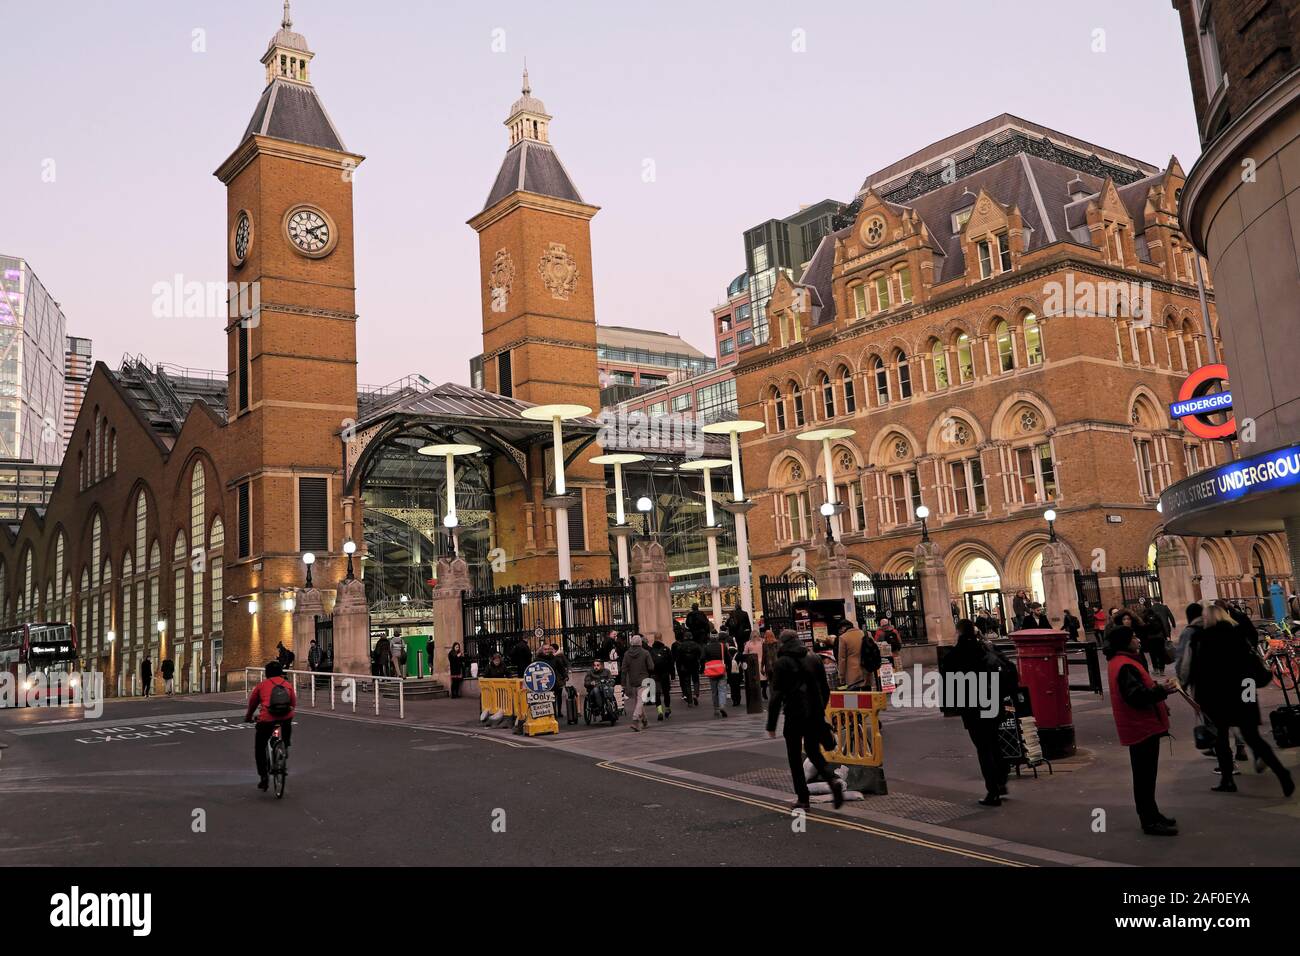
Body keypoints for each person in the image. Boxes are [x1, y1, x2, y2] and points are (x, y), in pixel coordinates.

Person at [1185, 604, 1294, 797]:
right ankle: (1282, 773)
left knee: (1221, 740)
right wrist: (1250, 698)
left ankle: (1227, 780)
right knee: (1253, 737)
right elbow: (1252, 665)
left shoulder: (1203, 638)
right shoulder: (1238, 635)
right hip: (1245, 689)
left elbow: (1198, 671)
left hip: (1217, 696)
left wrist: (1197, 697)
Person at [1103, 625, 1177, 835]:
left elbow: (1139, 691)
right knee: (1144, 776)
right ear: (1125, 642)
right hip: (1140, 726)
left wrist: (1157, 691)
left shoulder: (1122, 662)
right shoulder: (1125, 665)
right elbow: (1136, 696)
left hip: (1140, 725)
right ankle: (1149, 820)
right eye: (1134, 637)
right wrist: (1162, 691)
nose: (1138, 640)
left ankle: (1153, 814)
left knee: (1146, 775)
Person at [766, 629, 844, 810]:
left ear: (782, 643)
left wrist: (771, 724)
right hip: (814, 714)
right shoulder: (814, 658)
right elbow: (825, 689)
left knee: (794, 757)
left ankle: (803, 798)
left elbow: (776, 695)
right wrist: (819, 709)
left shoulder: (782, 663)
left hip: (794, 714)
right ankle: (832, 781)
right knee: (813, 751)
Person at [939, 620, 1010, 807]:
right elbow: (1007, 672)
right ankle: (1002, 779)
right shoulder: (987, 649)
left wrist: (950, 707)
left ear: (958, 633)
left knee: (983, 748)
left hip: (972, 707)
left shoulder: (953, 655)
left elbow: (948, 684)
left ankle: (993, 791)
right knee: (995, 742)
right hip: (993, 702)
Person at [244, 660, 297, 792]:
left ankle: (263, 777)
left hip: (267, 719)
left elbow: (252, 704)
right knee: (285, 731)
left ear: (267, 673)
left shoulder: (262, 686)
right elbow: (293, 703)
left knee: (260, 747)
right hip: (285, 718)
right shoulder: (287, 684)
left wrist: (249, 717)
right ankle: (285, 747)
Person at [620, 634, 656, 731]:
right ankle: (635, 720)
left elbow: (623, 669)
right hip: (644, 679)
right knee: (640, 701)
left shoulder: (627, 654)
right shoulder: (645, 653)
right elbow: (651, 667)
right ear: (640, 642)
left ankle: (644, 721)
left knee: (638, 702)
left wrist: (623, 683)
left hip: (633, 681)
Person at [835, 620, 876, 690]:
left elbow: (842, 659)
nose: (840, 632)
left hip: (853, 674)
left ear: (843, 628)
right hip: (866, 670)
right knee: (867, 696)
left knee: (854, 698)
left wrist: (841, 676)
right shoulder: (865, 633)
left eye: (840, 630)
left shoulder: (843, 638)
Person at [703, 630, 732, 717]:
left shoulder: (707, 647)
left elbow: (703, 658)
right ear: (717, 637)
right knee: (722, 690)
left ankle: (716, 708)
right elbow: (728, 659)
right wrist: (728, 668)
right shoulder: (722, 646)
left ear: (710, 637)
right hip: (721, 671)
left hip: (711, 672)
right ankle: (722, 706)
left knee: (714, 691)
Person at [649, 634, 675, 721]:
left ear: (654, 639)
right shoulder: (666, 649)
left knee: (657, 694)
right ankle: (667, 708)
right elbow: (671, 663)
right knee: (666, 692)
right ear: (661, 638)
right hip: (665, 674)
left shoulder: (651, 651)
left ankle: (659, 711)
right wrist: (673, 675)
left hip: (654, 675)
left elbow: (649, 664)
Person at [673, 633, 701, 706]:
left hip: (685, 666)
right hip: (694, 665)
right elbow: (700, 655)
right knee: (696, 680)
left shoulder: (681, 646)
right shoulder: (696, 645)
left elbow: (678, 658)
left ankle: (690, 701)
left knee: (687, 683)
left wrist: (679, 667)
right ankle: (696, 694)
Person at [742, 627, 765, 703]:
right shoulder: (762, 641)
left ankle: (758, 693)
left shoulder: (748, 643)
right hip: (762, 663)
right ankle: (764, 691)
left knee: (755, 680)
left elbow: (745, 653)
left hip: (753, 663)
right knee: (764, 679)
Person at [761, 628, 779, 699]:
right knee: (777, 682)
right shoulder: (777, 643)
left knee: (771, 683)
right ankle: (778, 698)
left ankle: (773, 698)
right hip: (776, 666)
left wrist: (761, 667)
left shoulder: (764, 644)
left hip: (768, 667)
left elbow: (763, 657)